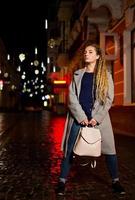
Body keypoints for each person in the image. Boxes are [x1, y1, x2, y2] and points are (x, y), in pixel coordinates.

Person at [56, 43, 126, 196]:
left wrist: (96, 118)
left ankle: (115, 181)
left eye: (90, 52)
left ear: (97, 56)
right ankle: (61, 181)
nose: (86, 54)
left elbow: (109, 99)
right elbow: (72, 98)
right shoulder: (77, 75)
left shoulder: (106, 76)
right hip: (78, 119)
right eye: (85, 52)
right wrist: (81, 117)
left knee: (110, 151)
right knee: (69, 151)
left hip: (99, 120)